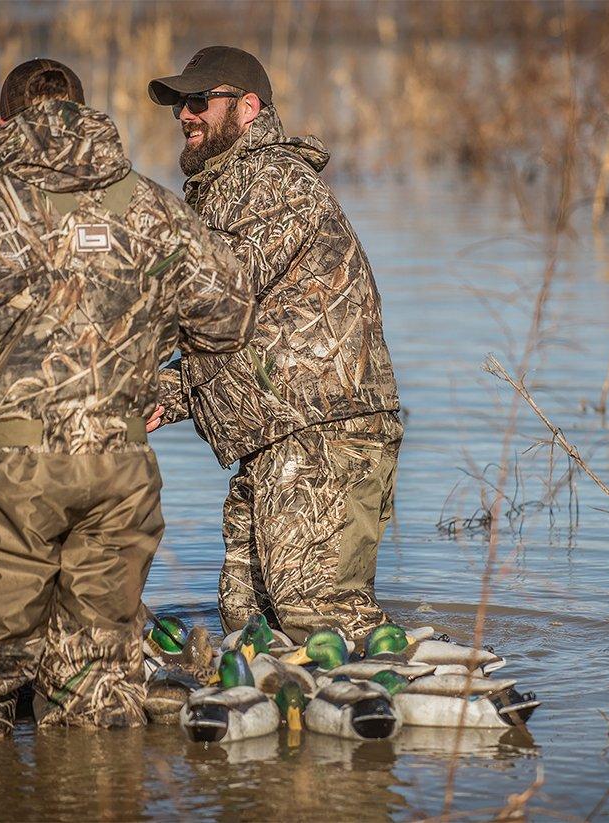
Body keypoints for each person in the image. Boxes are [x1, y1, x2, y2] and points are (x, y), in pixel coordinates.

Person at [0, 58, 254, 740]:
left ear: (4, 123)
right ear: (84, 113)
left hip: (6, 478)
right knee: (98, 694)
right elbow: (229, 319)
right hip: (119, 477)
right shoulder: (152, 207)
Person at [146, 47, 403, 643]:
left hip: (324, 435)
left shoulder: (274, 180)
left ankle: (404, 691)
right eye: (181, 104)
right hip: (271, 436)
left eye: (199, 100)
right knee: (246, 622)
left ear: (249, 106)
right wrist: (162, 390)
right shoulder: (223, 192)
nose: (185, 114)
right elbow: (241, 334)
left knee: (319, 618)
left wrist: (115, 350)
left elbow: (216, 294)